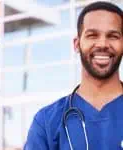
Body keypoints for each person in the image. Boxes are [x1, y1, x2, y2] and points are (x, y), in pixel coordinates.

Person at [24, 1, 123, 150]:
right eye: (92, 35)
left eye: (113, 36)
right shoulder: (47, 122)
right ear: (76, 44)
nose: (102, 43)